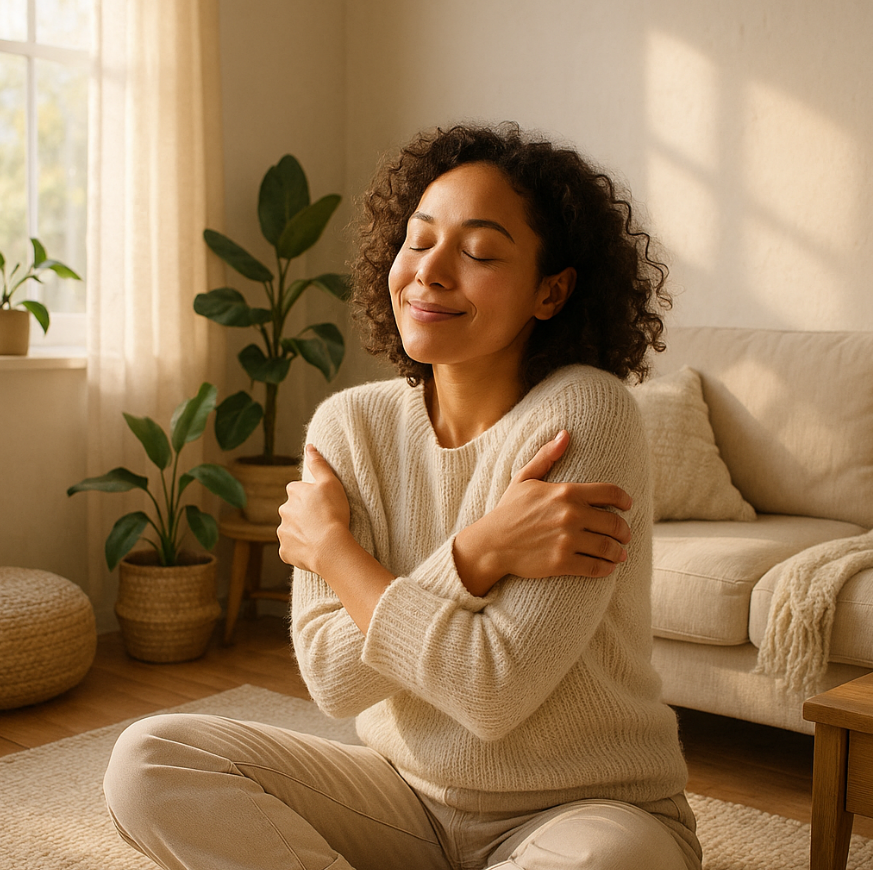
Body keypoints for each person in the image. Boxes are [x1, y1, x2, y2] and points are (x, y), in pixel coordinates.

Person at [103, 123, 703, 870]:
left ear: (551, 290)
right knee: (150, 758)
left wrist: (333, 551)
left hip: (587, 811)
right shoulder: (349, 424)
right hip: (402, 800)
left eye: (479, 253)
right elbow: (330, 675)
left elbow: (490, 691)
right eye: (417, 241)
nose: (431, 273)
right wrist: (473, 554)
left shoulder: (582, 415)